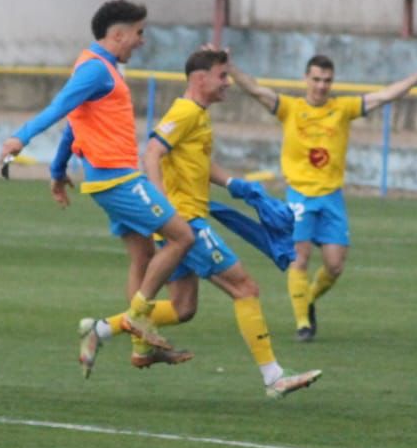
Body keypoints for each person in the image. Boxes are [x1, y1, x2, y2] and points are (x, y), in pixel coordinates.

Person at [78, 47, 322, 397]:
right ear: (200, 79)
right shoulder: (185, 111)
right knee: (246, 288)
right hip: (187, 224)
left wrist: (234, 184)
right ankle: (274, 377)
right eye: (222, 76)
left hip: (182, 222)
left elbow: (195, 163)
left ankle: (99, 331)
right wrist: (164, 211)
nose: (227, 83)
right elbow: (153, 152)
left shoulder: (199, 115)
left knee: (183, 308)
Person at [0, 0, 195, 371]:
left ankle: (140, 348)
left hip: (107, 181)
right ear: (118, 34)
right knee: (182, 237)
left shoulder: (99, 68)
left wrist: (57, 170)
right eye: (138, 33)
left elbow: (75, 122)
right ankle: (136, 318)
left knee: (142, 257)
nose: (141, 40)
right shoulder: (96, 70)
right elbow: (59, 106)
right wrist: (19, 137)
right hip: (119, 179)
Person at [227, 51, 417, 340]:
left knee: (334, 265)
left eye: (327, 80)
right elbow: (254, 88)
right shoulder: (289, 108)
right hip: (300, 196)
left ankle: (307, 300)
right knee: (300, 259)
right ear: (306, 78)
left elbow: (384, 96)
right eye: (316, 79)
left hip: (331, 197)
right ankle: (303, 324)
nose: (321, 86)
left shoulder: (342, 109)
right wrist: (229, 65)